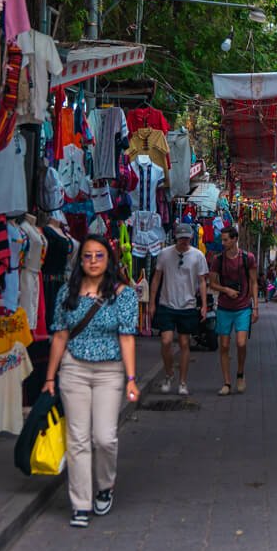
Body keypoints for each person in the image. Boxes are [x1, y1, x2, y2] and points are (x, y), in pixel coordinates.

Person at [45, 233, 139, 528]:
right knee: (78, 438)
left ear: (109, 259)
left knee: (104, 437)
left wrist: (132, 378)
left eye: (99, 255)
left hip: (110, 371)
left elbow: (127, 338)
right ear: (80, 260)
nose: (94, 261)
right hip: (74, 368)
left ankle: (104, 486)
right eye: (88, 256)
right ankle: (80, 503)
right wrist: (50, 376)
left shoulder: (123, 295)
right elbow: (60, 334)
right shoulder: (66, 293)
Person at [149, 222, 208, 398]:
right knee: (166, 341)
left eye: (186, 238)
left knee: (184, 343)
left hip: (188, 305)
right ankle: (169, 374)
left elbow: (203, 281)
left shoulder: (198, 256)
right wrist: (152, 302)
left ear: (191, 238)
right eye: (181, 237)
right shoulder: (164, 254)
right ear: (176, 237)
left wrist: (204, 304)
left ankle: (182, 381)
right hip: (166, 303)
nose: (183, 241)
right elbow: (156, 279)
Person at [212, 226, 258, 394]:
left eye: (226, 240)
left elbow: (254, 282)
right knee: (223, 346)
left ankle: (240, 373)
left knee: (241, 343)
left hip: (243, 307)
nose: (223, 243)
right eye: (222, 240)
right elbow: (212, 283)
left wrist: (255, 307)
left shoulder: (248, 258)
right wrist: (226, 290)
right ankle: (226, 382)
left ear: (234, 239)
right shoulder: (218, 260)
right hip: (224, 307)